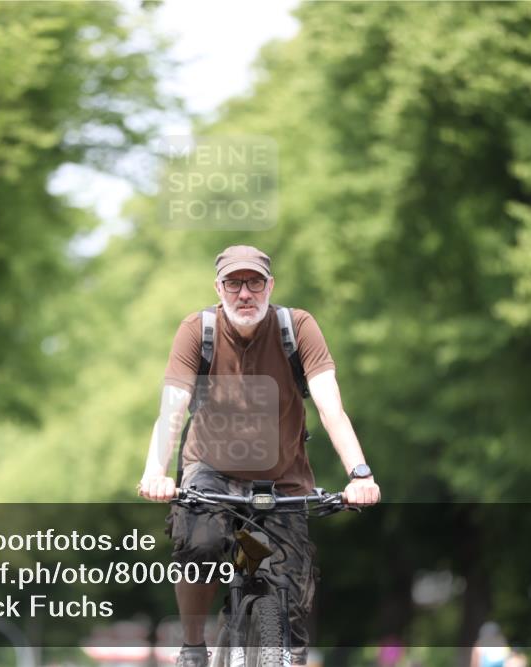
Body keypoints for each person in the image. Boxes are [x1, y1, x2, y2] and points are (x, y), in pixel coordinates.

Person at [138, 245, 381, 667]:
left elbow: (329, 405)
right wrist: (155, 472)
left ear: (270, 286)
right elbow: (173, 408)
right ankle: (193, 646)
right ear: (219, 288)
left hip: (282, 480)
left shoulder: (297, 326)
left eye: (254, 282)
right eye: (234, 283)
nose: (244, 293)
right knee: (202, 544)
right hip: (210, 471)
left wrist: (360, 474)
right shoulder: (198, 329)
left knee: (288, 598)